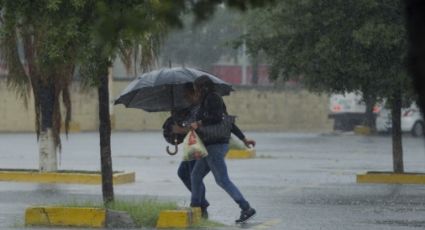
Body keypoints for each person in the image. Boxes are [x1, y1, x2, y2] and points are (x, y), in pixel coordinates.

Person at [189, 75, 256, 223]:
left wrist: (198, 123)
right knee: (195, 176)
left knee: (222, 180)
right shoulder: (207, 100)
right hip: (210, 146)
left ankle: (246, 207)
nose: (196, 91)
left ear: (203, 87)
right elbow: (229, 122)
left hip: (216, 145)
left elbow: (218, 118)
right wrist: (244, 139)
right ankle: (194, 208)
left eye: (197, 88)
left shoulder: (212, 98)